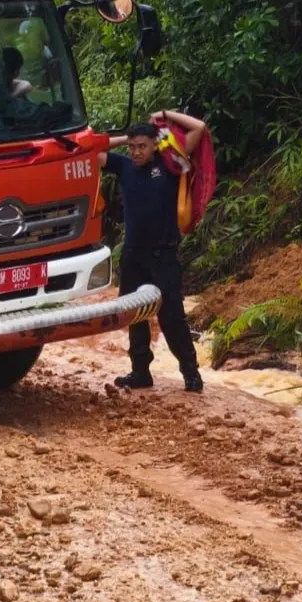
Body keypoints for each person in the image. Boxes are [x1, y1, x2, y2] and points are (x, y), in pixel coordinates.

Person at [97, 109, 211, 393]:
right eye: (133, 147)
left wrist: (163, 115)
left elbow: (199, 127)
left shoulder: (170, 165)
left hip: (163, 254)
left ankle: (190, 372)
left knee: (171, 316)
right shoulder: (123, 166)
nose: (136, 152)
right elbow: (93, 151)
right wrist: (125, 138)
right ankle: (140, 372)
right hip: (133, 254)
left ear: (154, 145)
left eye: (142, 146)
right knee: (133, 314)